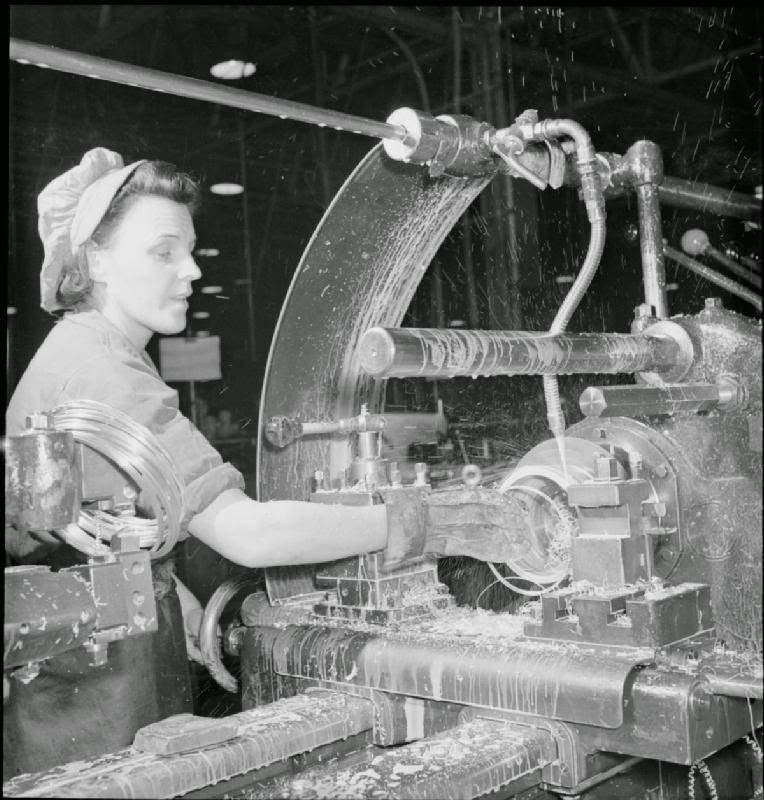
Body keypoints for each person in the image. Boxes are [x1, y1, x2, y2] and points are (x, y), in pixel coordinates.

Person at [4, 147, 388, 778]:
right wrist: (403, 522)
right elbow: (250, 534)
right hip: (87, 705)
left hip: (70, 684)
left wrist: (182, 608)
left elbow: (85, 536)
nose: (189, 272)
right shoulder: (102, 373)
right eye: (163, 251)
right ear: (96, 259)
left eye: (189, 250)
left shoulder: (80, 351)